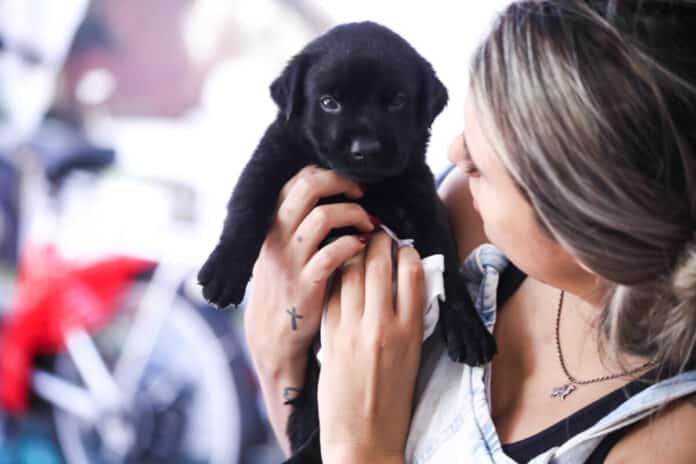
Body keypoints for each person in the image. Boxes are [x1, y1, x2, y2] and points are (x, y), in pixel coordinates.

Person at [243, 1, 696, 462]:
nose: (454, 154)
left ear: (590, 233)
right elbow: (300, 430)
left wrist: (361, 448)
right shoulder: (463, 213)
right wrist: (277, 346)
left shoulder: (667, 440)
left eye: (481, 166)